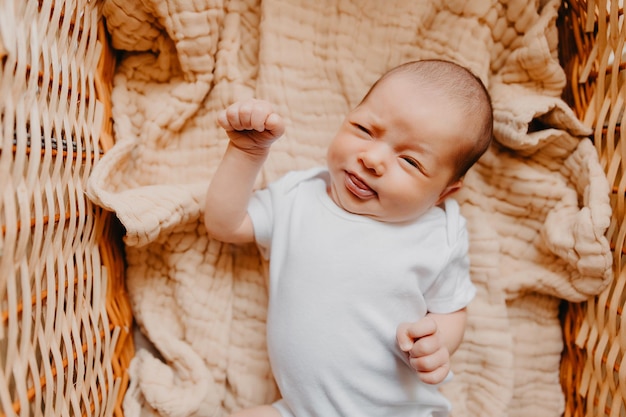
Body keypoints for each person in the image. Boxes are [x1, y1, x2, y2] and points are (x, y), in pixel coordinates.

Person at [204, 59, 493, 417]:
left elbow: (451, 309)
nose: (372, 159)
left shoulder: (439, 234)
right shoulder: (298, 197)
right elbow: (225, 224)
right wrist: (247, 153)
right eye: (364, 129)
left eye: (410, 161)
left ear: (444, 193)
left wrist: (439, 340)